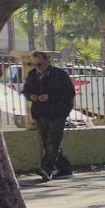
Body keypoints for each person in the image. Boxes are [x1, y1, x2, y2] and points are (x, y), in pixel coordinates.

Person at [21, 51, 75, 180]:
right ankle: (64, 168)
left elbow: (69, 93)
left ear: (47, 61)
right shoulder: (32, 75)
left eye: (40, 64)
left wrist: (49, 97)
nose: (38, 67)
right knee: (47, 143)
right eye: (34, 64)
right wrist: (31, 96)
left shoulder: (59, 75)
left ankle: (47, 169)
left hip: (57, 113)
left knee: (53, 141)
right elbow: (26, 90)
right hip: (41, 113)